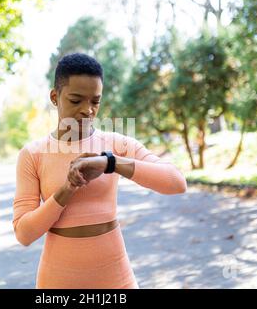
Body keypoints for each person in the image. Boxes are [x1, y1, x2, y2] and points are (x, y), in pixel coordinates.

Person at [12, 53, 187, 289]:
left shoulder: (117, 145)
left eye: (95, 101)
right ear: (55, 97)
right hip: (58, 282)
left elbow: (176, 182)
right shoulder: (32, 154)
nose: (88, 110)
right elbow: (24, 234)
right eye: (76, 100)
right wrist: (67, 189)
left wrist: (110, 163)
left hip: (117, 280)